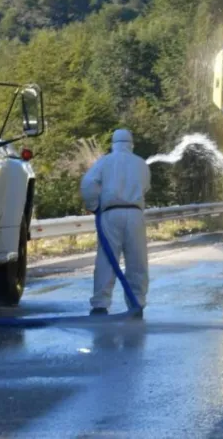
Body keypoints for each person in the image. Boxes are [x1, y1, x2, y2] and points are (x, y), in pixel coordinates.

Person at [81, 129, 151, 318]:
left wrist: (93, 205)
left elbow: (88, 183)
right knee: (137, 261)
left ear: (113, 144)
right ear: (131, 144)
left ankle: (100, 305)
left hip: (110, 214)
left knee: (107, 260)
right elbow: (145, 187)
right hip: (135, 214)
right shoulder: (141, 163)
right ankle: (136, 303)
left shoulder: (104, 162)